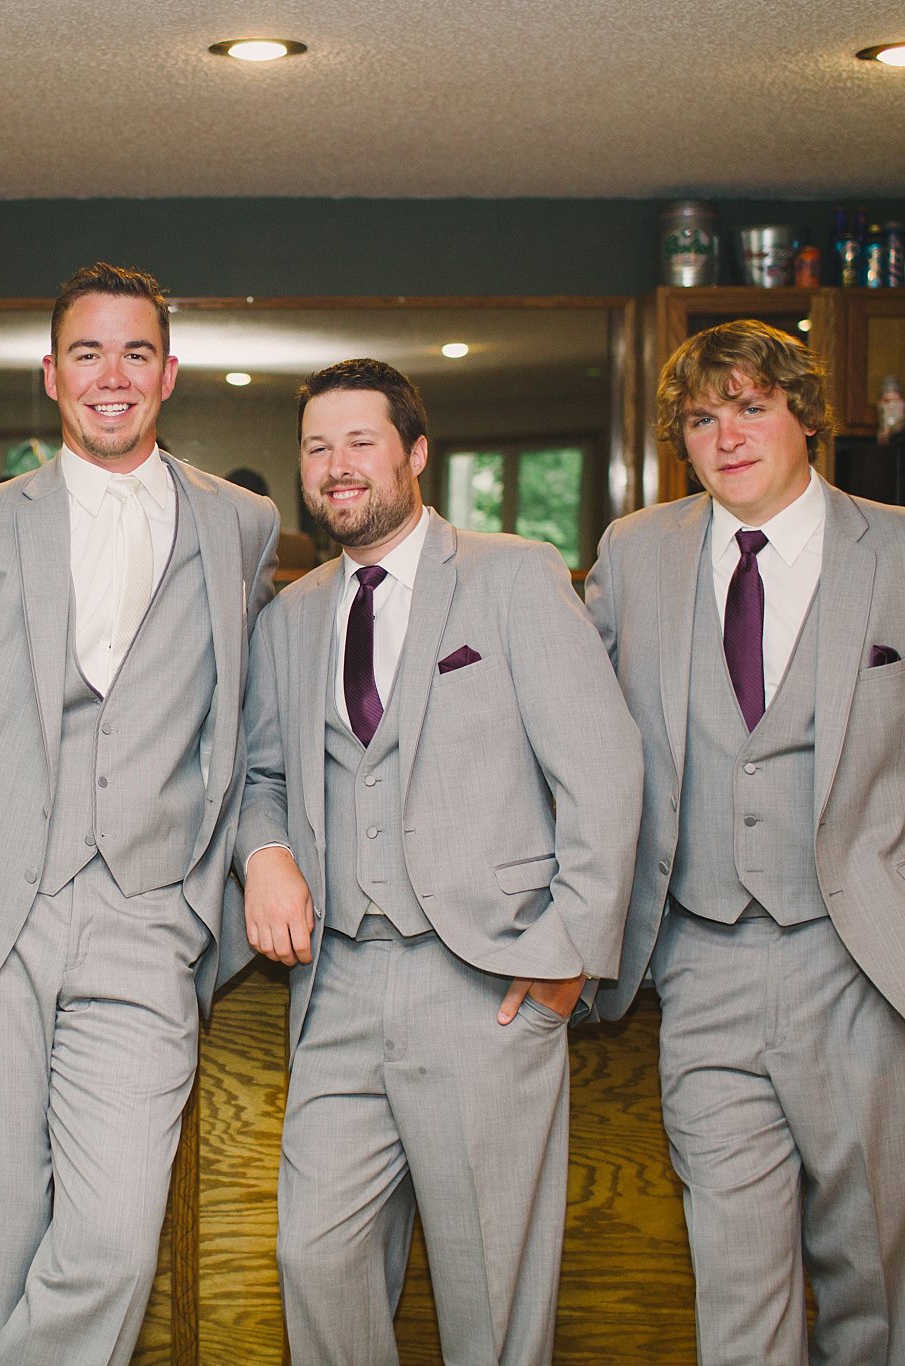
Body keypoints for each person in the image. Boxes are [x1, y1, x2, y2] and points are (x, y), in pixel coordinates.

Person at [585, 320, 905, 1365]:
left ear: (806, 418)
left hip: (872, 964)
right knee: (736, 1284)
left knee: (877, 1283)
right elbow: (573, 733)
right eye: (702, 418)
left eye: (751, 408)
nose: (726, 436)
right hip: (699, 962)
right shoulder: (634, 553)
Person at [0, 262, 278, 1365]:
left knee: (112, 1243)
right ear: (51, 374)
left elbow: (247, 727)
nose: (111, 375)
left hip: (148, 920)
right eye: (87, 353)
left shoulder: (241, 524)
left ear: (169, 373)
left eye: (136, 352)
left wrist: (240, 873)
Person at [237, 358, 641, 1364]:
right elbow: (261, 776)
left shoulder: (514, 574)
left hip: (485, 982)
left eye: (359, 442)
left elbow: (603, 767)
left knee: (488, 1299)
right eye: (317, 447)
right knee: (314, 1260)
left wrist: (567, 952)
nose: (336, 466)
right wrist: (265, 852)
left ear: (415, 453)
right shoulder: (289, 615)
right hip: (334, 985)